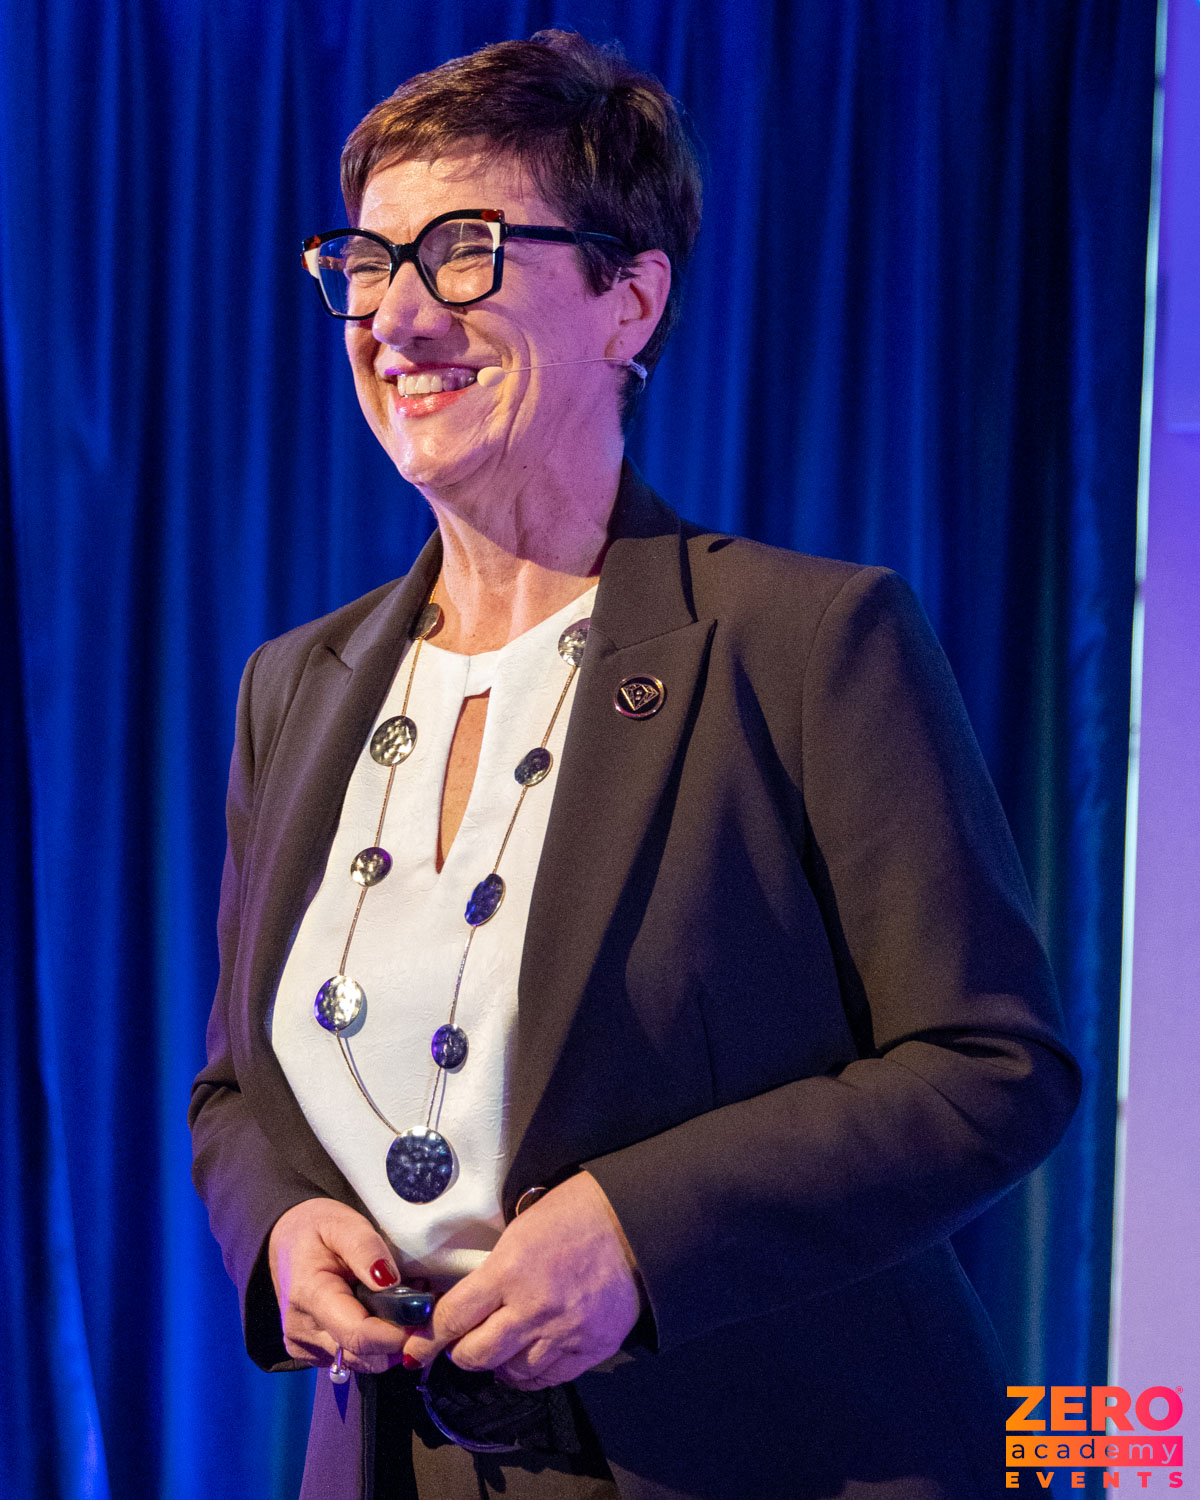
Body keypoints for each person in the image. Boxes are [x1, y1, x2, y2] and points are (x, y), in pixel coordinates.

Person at [189, 29, 1079, 1500]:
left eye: (463, 251)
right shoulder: (294, 685)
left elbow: (992, 1067)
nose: (396, 316)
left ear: (629, 299)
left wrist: (638, 1235)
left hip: (760, 1457)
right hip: (400, 1462)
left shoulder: (805, 642)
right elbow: (234, 1092)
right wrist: (278, 1231)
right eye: (367, 261)